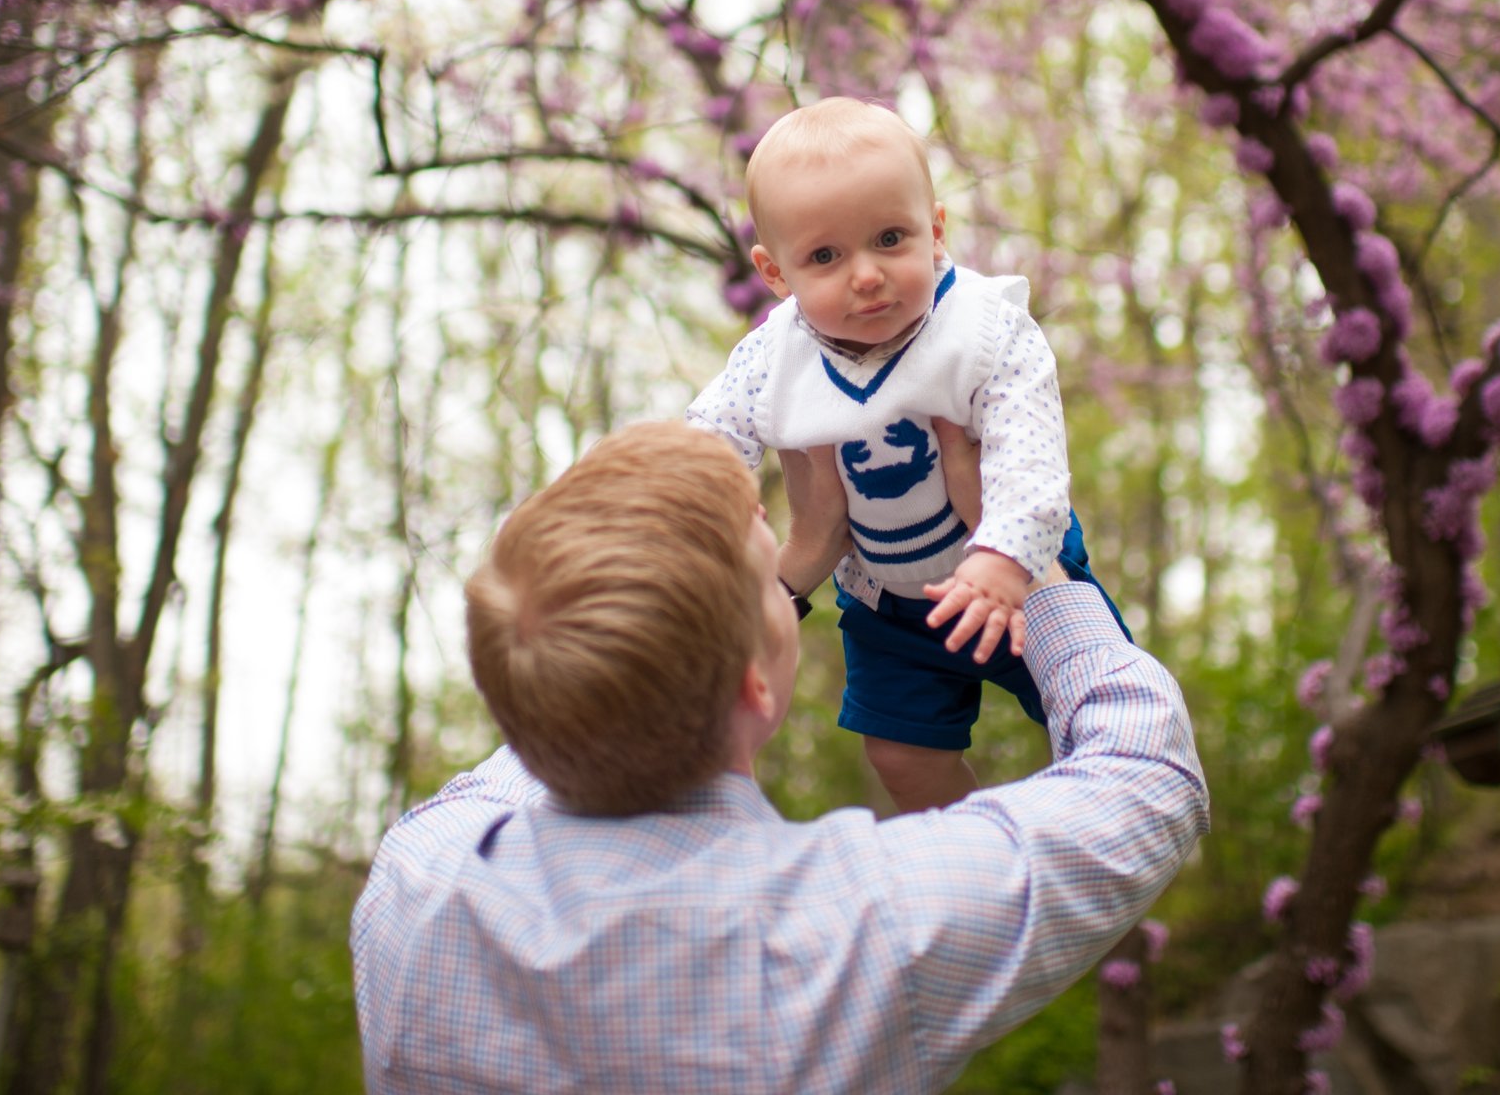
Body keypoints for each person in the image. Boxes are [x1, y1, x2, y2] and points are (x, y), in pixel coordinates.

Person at [349, 421, 1207, 1095]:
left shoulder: (417, 882)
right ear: (755, 690)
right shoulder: (860, 925)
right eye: (771, 586)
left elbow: (568, 687)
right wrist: (1027, 555)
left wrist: (791, 564)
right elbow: (1148, 775)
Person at [686, 96, 1127, 811]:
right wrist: (709, 516)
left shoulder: (984, 330)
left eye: (891, 239)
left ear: (936, 230)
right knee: (899, 752)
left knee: (1085, 710)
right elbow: (709, 440)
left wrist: (1003, 558)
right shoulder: (773, 358)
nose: (866, 275)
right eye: (825, 256)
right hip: (887, 599)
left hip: (1012, 567)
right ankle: (963, 846)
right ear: (774, 274)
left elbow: (1030, 458)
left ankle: (1088, 820)